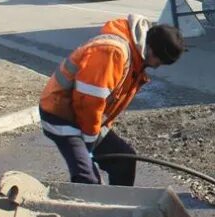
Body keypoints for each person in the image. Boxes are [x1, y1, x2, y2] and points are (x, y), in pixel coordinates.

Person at [39, 16, 185, 186]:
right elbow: (89, 102)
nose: (158, 66)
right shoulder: (113, 52)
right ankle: (83, 208)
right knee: (87, 179)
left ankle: (119, 209)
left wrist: (95, 135)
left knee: (124, 161)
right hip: (60, 113)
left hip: (84, 118)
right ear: (151, 50)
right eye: (159, 61)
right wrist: (90, 141)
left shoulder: (136, 57)